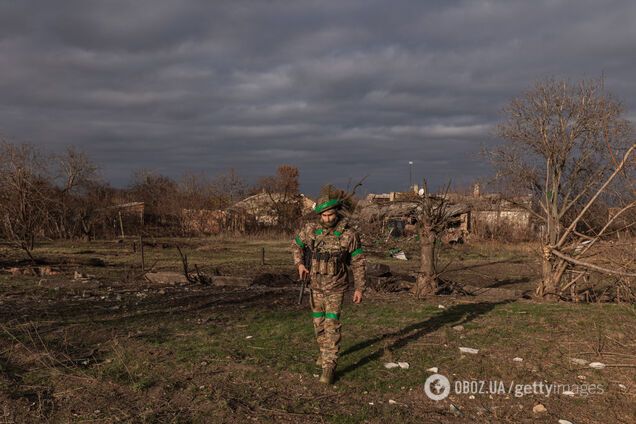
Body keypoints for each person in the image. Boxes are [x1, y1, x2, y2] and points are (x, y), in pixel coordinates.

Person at [291, 195, 366, 384]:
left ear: (336, 213)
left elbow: (357, 263)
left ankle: (329, 366)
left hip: (336, 287)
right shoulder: (311, 230)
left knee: (331, 324)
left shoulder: (349, 235)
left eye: (330, 215)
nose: (327, 219)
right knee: (318, 323)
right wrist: (300, 264)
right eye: (323, 216)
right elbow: (296, 245)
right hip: (315, 286)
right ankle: (324, 352)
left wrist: (359, 288)